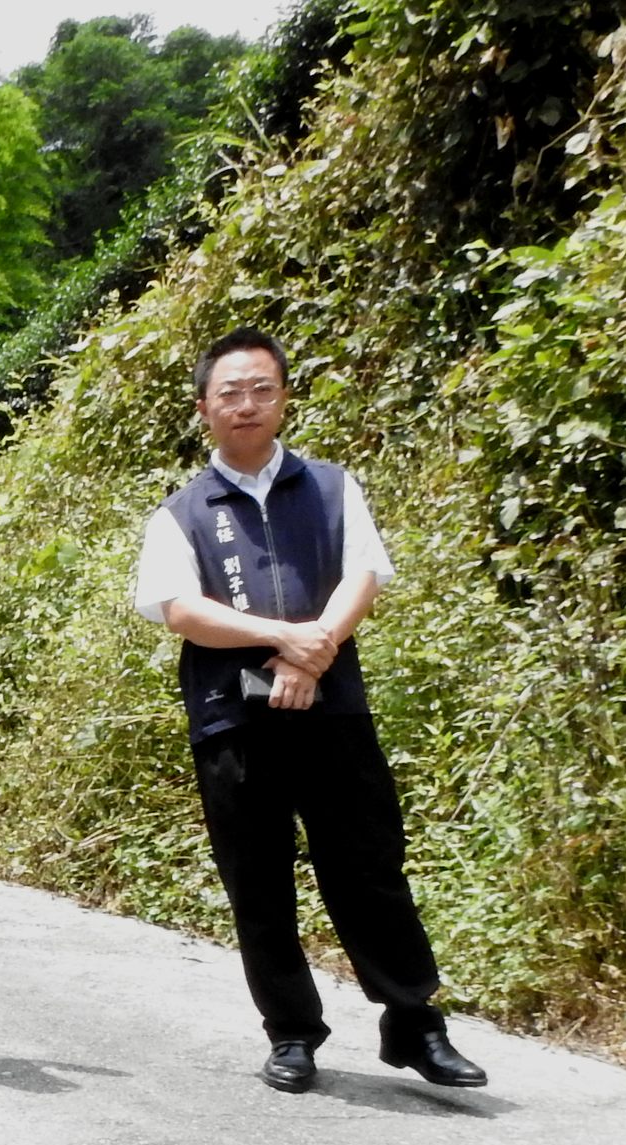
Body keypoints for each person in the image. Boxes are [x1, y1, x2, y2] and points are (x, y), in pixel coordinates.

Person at [131, 327, 487, 1095]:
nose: (247, 404)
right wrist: (284, 638)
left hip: (334, 714)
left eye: (261, 388)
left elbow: (365, 572)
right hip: (234, 720)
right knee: (257, 884)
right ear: (204, 409)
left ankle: (416, 1026)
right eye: (230, 392)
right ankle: (292, 1033)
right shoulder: (183, 512)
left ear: (284, 397)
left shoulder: (331, 488)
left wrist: (316, 648)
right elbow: (180, 610)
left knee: (369, 870)